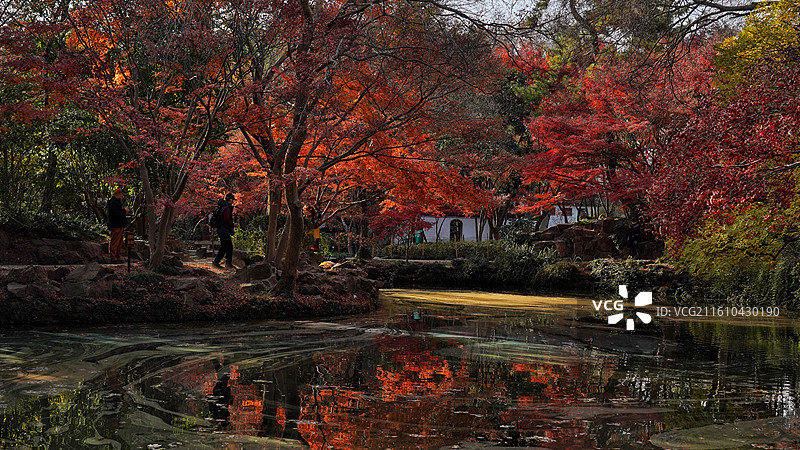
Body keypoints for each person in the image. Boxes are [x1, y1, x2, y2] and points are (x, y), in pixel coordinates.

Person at [212, 193, 236, 269]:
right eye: (233, 200)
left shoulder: (222, 207)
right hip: (224, 230)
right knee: (226, 247)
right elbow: (226, 219)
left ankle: (226, 262)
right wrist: (232, 224)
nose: (233, 201)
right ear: (230, 200)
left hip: (221, 229)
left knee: (227, 247)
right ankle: (220, 262)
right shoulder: (226, 208)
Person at [107, 188, 129, 264]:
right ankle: (113, 258)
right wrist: (124, 211)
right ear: (118, 194)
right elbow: (115, 213)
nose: (123, 196)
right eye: (122, 194)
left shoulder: (117, 202)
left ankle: (117, 256)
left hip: (120, 225)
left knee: (119, 242)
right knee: (115, 241)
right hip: (115, 225)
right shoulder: (113, 202)